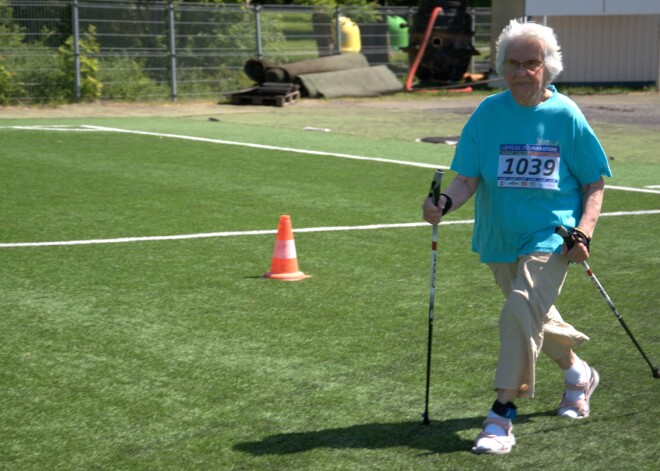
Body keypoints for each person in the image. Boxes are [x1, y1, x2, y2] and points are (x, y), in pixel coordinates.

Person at [422, 18, 612, 455]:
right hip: (498, 237)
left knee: (520, 309)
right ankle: (578, 374)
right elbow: (466, 179)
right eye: (513, 63)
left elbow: (594, 183)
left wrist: (584, 230)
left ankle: (501, 414)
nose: (521, 72)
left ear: (548, 67)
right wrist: (442, 205)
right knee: (532, 317)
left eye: (531, 63)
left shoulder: (565, 115)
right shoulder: (488, 112)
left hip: (551, 235)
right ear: (501, 66)